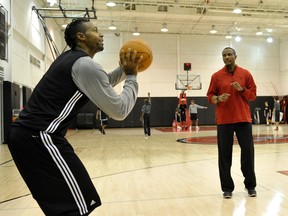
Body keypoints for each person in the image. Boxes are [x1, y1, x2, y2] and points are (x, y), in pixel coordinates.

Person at [7, 18, 143, 215]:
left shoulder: (72, 59)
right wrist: (131, 77)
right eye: (95, 30)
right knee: (77, 207)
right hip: (40, 137)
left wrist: (124, 69)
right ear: (81, 36)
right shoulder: (84, 64)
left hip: (31, 137)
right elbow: (119, 111)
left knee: (68, 206)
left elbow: (101, 82)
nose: (101, 34)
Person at [206, 47, 257, 199]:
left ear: (236, 56)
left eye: (229, 54)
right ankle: (227, 188)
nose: (227, 57)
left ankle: (251, 186)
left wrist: (242, 90)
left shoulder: (246, 74)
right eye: (224, 55)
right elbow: (210, 95)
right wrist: (217, 98)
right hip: (224, 121)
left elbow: (253, 95)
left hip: (243, 119)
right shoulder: (216, 76)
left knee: (248, 154)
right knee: (224, 155)